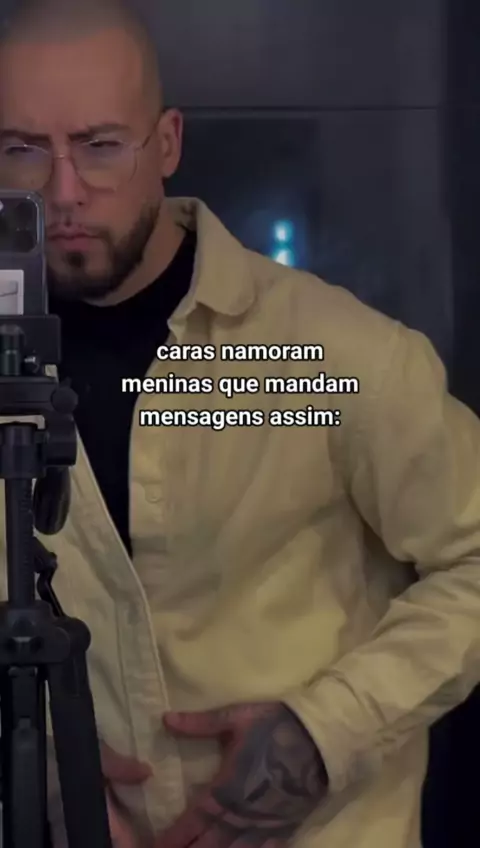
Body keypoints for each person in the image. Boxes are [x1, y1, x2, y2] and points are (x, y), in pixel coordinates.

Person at [0, 2, 479, 847]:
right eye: (22, 150)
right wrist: (25, 750)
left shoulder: (338, 353)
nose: (63, 191)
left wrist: (324, 733)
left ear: (168, 144)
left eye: (102, 145)